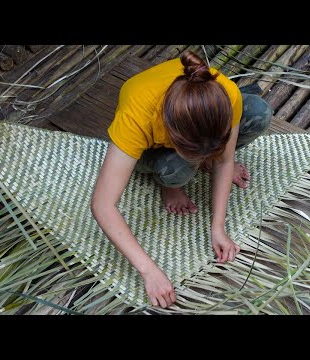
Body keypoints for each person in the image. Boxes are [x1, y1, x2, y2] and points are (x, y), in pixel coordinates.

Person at [90, 50, 273, 308]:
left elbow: (225, 159)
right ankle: (170, 183)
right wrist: (149, 271)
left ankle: (202, 157)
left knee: (259, 112)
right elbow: (102, 204)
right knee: (176, 168)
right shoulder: (137, 116)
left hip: (197, 118)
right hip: (154, 140)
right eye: (204, 157)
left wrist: (217, 227)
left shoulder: (226, 92)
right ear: (173, 137)